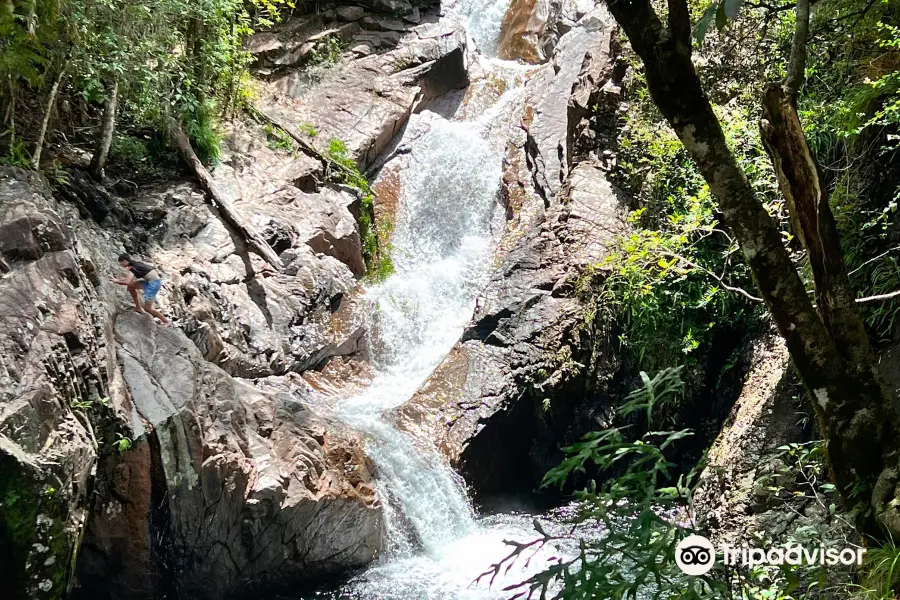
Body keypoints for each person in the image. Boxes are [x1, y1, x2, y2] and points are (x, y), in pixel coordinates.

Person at [111, 253, 171, 325]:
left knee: (148, 308)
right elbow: (129, 281)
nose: (121, 265)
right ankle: (138, 307)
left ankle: (166, 321)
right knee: (131, 286)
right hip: (150, 282)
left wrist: (116, 281)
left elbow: (127, 281)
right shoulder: (135, 264)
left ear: (125, 261)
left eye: (121, 263)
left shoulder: (132, 268)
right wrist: (119, 280)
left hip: (153, 284)